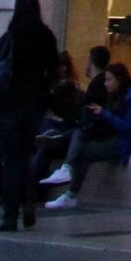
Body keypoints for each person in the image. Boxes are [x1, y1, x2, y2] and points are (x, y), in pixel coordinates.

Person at [0, 0, 60, 233]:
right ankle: (27, 200)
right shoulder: (46, 36)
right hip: (35, 104)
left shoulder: (10, 37)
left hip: (11, 104)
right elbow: (54, 70)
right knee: (24, 156)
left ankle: (9, 215)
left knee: (11, 160)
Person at [42, 62, 131, 207]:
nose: (105, 84)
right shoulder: (113, 95)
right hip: (110, 135)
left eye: (109, 80)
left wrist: (104, 113)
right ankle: (65, 167)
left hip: (122, 142)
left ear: (119, 80)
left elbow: (128, 127)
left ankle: (68, 179)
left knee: (84, 150)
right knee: (81, 130)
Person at [31, 45, 109, 189]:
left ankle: (32, 189)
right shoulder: (96, 84)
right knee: (48, 144)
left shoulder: (96, 85)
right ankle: (33, 188)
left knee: (49, 143)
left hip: (85, 131)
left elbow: (87, 115)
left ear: (91, 62)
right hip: (81, 128)